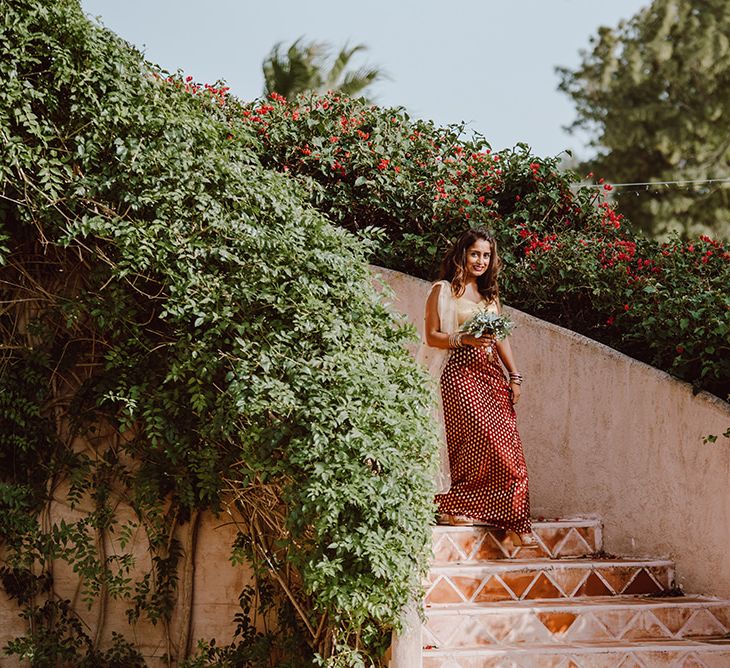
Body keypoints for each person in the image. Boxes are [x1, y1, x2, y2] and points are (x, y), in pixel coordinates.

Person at [419, 227, 534, 545]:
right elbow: (432, 336)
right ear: (462, 254)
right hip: (458, 374)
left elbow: (501, 338)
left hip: (491, 374)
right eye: (475, 254)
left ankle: (514, 518)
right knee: (474, 444)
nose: (481, 260)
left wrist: (514, 375)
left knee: (509, 448)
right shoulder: (442, 291)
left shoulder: (490, 296)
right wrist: (464, 338)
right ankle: (452, 504)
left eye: (486, 255)